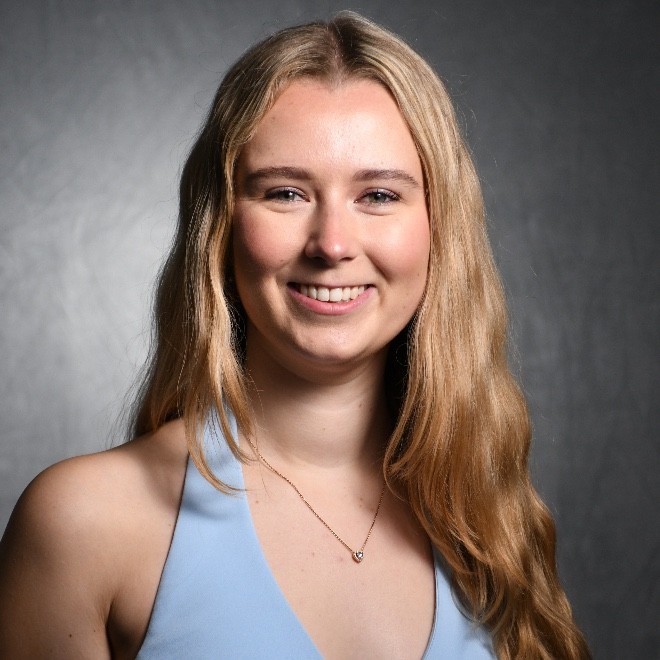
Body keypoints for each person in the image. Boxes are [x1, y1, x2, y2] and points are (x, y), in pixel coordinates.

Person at [0, 11, 590, 659]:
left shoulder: (490, 521)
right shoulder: (83, 522)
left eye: (379, 196)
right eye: (285, 193)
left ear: (438, 226)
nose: (332, 244)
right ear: (220, 226)